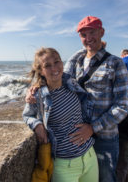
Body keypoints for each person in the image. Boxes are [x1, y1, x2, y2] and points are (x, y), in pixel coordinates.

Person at [62, 15, 128, 182]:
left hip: (104, 138)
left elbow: (123, 105)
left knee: (106, 178)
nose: (88, 38)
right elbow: (59, 82)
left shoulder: (115, 63)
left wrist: (93, 128)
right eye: (83, 35)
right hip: (77, 135)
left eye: (92, 32)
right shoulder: (76, 62)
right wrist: (36, 87)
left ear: (102, 32)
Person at [23, 47, 99, 182]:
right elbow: (27, 115)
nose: (54, 68)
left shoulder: (71, 82)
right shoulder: (38, 95)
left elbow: (83, 52)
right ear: (41, 70)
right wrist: (37, 125)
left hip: (89, 156)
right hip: (64, 165)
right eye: (47, 65)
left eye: (57, 62)